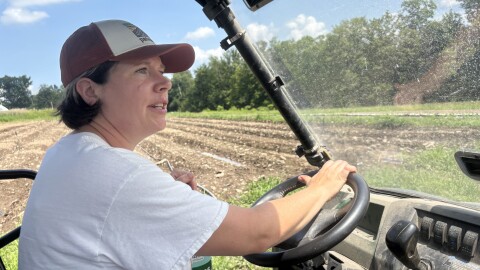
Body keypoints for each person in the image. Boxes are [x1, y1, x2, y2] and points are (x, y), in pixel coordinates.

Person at [18, 19, 357, 270]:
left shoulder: (71, 152)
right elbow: (259, 233)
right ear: (91, 91)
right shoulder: (115, 175)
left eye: (161, 70)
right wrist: (324, 186)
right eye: (141, 70)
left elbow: (111, 214)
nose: (164, 82)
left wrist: (166, 200)